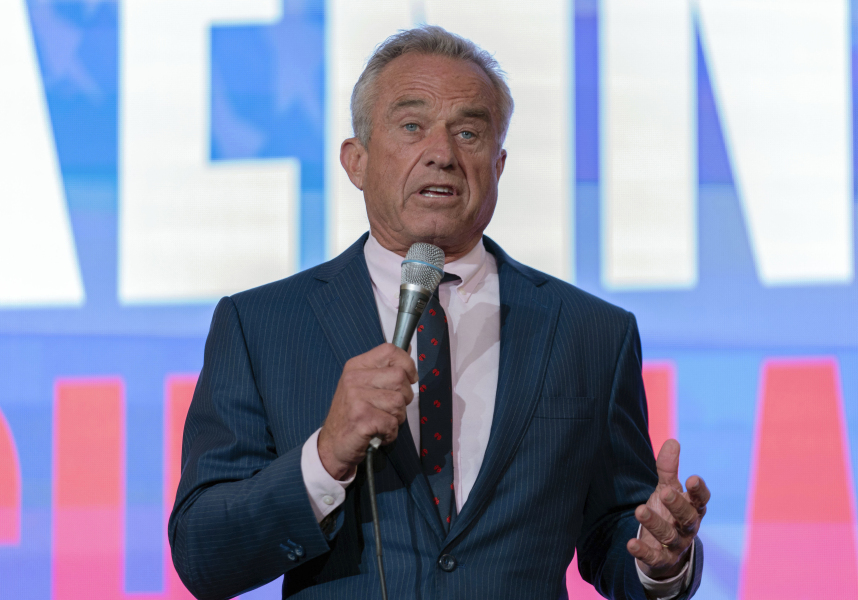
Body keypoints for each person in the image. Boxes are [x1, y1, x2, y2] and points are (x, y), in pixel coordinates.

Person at [169, 25, 709, 600]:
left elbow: (614, 534)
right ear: (356, 161)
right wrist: (325, 456)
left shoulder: (591, 332)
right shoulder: (262, 326)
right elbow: (204, 555)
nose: (443, 154)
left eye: (469, 133)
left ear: (498, 166)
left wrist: (661, 561)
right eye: (411, 126)